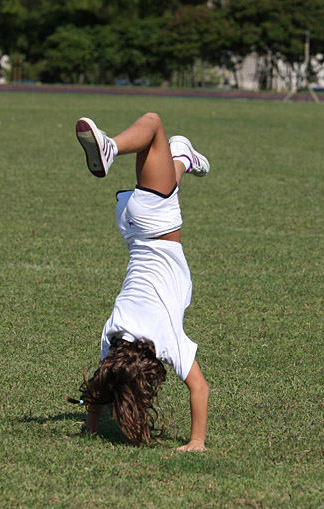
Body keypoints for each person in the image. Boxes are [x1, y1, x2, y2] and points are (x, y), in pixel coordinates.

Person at [68, 112, 210, 452]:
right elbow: (98, 390)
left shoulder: (167, 340)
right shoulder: (114, 335)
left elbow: (199, 388)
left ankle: (111, 148)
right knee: (165, 174)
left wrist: (197, 441)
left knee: (153, 122)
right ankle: (182, 156)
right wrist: (90, 429)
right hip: (132, 228)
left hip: (155, 225)